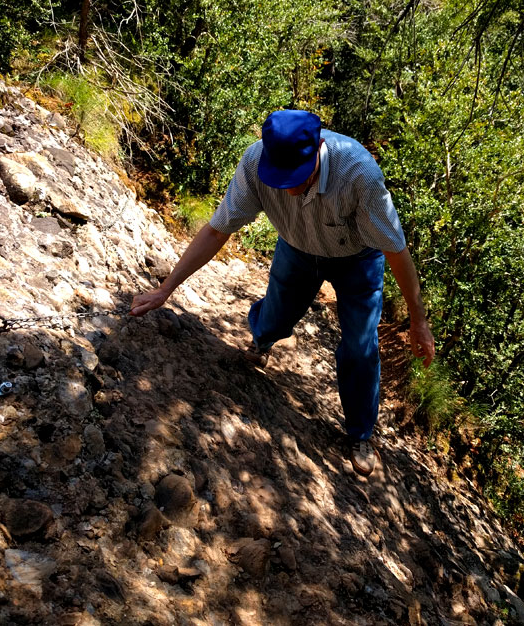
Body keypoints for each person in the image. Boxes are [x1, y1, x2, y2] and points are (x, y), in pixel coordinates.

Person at [130, 110, 434, 476]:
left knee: (360, 346)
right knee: (276, 313)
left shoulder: (358, 173)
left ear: (319, 149)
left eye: (297, 177)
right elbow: (216, 231)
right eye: (281, 178)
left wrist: (418, 321)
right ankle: (262, 341)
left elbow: (396, 251)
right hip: (297, 247)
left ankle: (360, 433)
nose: (288, 188)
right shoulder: (255, 162)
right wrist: (166, 289)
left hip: (357, 259)